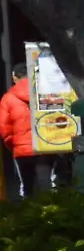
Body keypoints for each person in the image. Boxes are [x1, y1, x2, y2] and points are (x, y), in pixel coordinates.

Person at [0, 64, 51, 198]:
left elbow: (5, 129)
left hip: (22, 150)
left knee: (27, 186)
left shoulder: (8, 98)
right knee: (46, 184)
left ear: (14, 77)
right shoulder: (44, 93)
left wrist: (14, 146)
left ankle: (29, 214)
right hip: (45, 146)